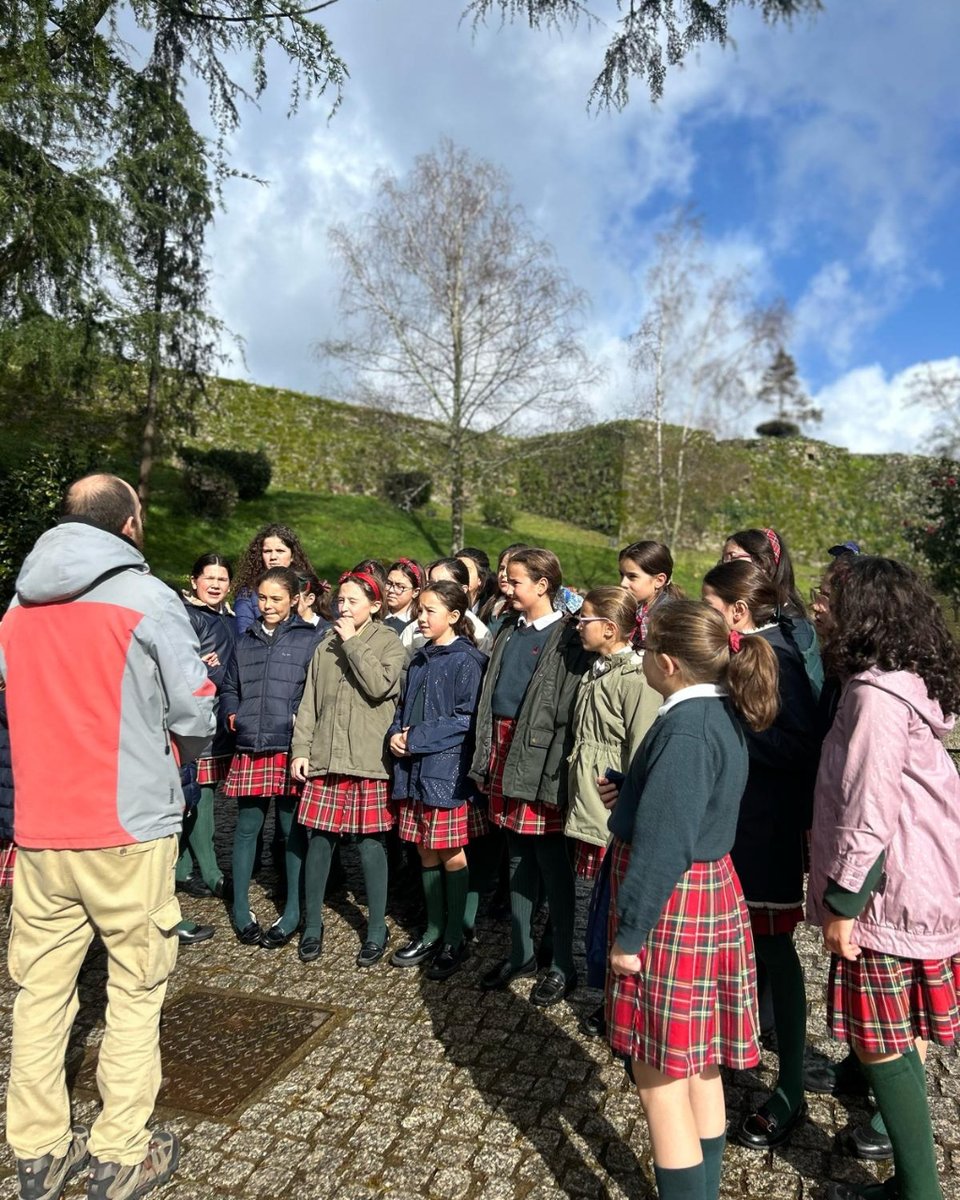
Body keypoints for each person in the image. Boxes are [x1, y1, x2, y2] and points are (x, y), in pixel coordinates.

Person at [0, 473, 215, 1200]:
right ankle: (120, 1151)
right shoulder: (147, 597)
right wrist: (176, 755)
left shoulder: (18, 604)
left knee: (40, 991)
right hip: (126, 824)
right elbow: (195, 709)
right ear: (128, 525)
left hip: (40, 826)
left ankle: (35, 1151)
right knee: (135, 986)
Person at [603, 599, 777, 1200]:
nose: (641, 657)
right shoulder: (714, 710)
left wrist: (628, 939)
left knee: (658, 1080)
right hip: (706, 894)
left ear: (668, 663)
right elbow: (688, 802)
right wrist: (634, 791)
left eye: (646, 650)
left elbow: (664, 845)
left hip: (673, 905)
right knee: (699, 1065)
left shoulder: (684, 726)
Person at [808, 557, 960, 1200]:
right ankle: (911, 1180)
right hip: (924, 881)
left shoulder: (873, 694)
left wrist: (844, 901)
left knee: (881, 1043)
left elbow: (867, 811)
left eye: (829, 597)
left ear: (861, 611)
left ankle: (919, 1190)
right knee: (898, 1037)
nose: (818, 606)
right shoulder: (907, 678)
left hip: (888, 892)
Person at [702, 560, 821, 1150]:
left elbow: (802, 747)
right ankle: (726, 1054)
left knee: (774, 952)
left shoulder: (782, 659)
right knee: (733, 949)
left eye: (712, 604)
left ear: (740, 611)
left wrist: (735, 728)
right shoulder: (742, 651)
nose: (706, 614)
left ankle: (791, 1087)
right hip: (732, 823)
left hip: (765, 833)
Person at [470, 547, 593, 1006]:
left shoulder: (568, 639)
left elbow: (567, 714)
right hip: (503, 749)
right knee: (517, 856)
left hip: (539, 760)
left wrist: (551, 771)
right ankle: (520, 953)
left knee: (553, 866)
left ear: (543, 585)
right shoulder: (507, 630)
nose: (507, 585)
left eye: (516, 580)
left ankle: (562, 963)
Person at [290, 570, 405, 967]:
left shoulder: (388, 642)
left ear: (374, 606)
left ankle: (376, 928)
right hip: (326, 756)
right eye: (340, 600)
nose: (343, 607)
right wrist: (301, 749)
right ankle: (312, 925)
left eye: (353, 601)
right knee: (319, 840)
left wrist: (353, 641)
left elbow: (378, 685)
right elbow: (309, 702)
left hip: (367, 759)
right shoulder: (324, 645)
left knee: (371, 844)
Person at [220, 566, 324, 947]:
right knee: (247, 828)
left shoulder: (310, 638)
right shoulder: (245, 638)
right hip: (250, 743)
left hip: (289, 744)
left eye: (276, 598)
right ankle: (241, 907)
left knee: (290, 829)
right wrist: (233, 711)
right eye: (262, 598)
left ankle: (294, 909)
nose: (268, 605)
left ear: (294, 599)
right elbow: (229, 685)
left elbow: (315, 691)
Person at [388, 580, 486, 980]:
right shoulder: (419, 658)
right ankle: (431, 930)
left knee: (450, 852)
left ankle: (455, 935)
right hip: (414, 770)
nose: (421, 617)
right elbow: (403, 706)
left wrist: (416, 739)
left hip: (446, 772)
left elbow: (467, 719)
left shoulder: (467, 661)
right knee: (424, 851)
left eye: (430, 610)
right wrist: (396, 732)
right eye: (420, 609)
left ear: (454, 616)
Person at [177, 553, 236, 906]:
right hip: (194, 719)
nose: (215, 584)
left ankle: (182, 867)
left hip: (219, 717)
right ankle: (209, 872)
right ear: (194, 579)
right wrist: (197, 666)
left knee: (204, 791)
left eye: (222, 579)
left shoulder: (228, 618)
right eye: (208, 577)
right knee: (199, 794)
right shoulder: (186, 616)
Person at [232, 524, 317, 636]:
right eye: (267, 551)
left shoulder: (306, 586)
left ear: (292, 556)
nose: (273, 557)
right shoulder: (247, 593)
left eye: (280, 551)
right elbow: (243, 636)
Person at [401, 558, 494, 658]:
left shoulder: (480, 633)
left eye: (444, 585)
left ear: (463, 590)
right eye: (431, 584)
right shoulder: (415, 628)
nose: (435, 590)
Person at [618, 540, 683, 650]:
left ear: (659, 580)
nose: (623, 583)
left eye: (632, 576)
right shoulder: (636, 609)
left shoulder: (668, 623)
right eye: (622, 575)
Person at [382, 558, 424, 634]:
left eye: (400, 587)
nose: (391, 590)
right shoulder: (376, 614)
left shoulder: (416, 627)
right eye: (389, 583)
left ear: (415, 592)